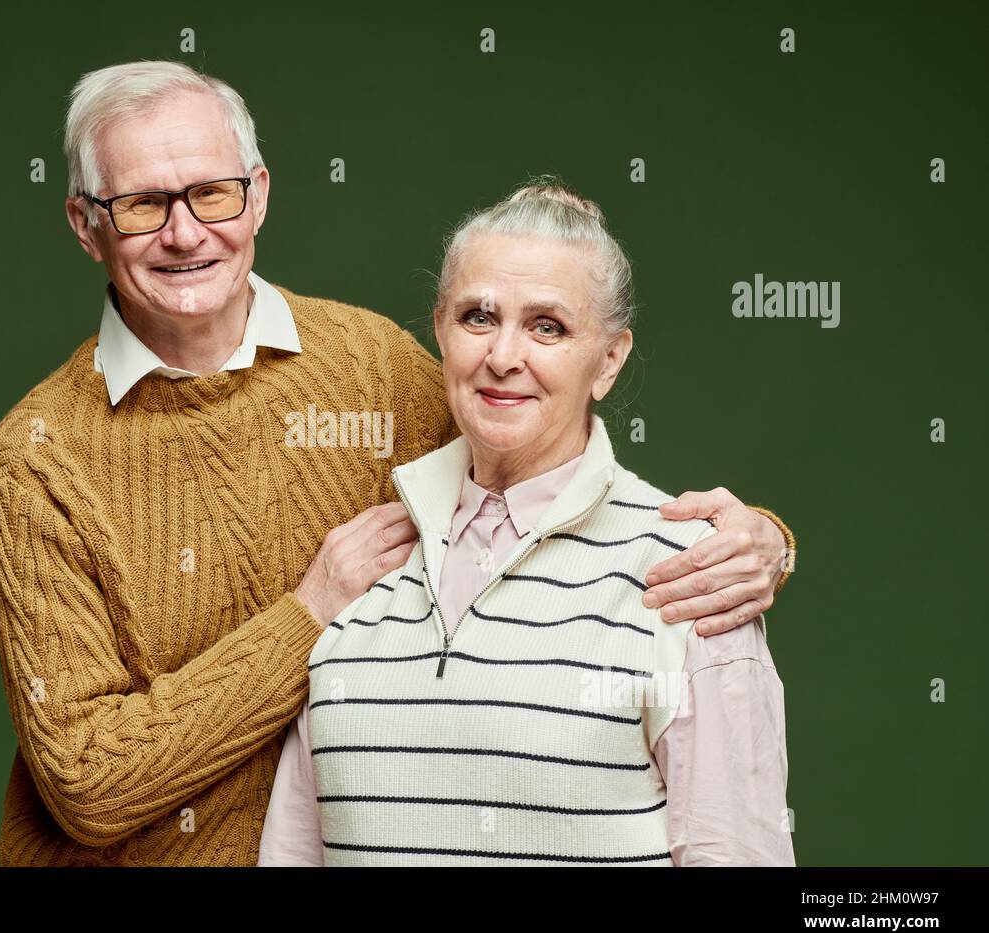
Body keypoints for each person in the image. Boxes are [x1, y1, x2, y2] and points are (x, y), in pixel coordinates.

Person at [0, 60, 796, 866]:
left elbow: (541, 451)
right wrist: (307, 617)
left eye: (211, 193)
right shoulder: (40, 460)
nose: (186, 232)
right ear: (87, 225)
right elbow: (85, 782)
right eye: (143, 204)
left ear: (258, 194)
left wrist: (761, 542)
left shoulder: (371, 365)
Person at [257, 179, 795, 866]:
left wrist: (776, 544)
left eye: (549, 326)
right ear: (440, 330)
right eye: (479, 317)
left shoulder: (695, 576)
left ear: (608, 360)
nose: (504, 356)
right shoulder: (357, 572)